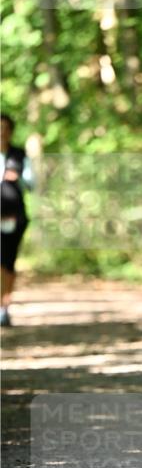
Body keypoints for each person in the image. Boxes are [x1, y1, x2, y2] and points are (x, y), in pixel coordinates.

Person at [1, 112, 34, 328]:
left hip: (12, 216)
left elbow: (32, 183)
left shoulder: (19, 155)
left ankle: (4, 306)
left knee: (6, 260)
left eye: (5, 128)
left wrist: (19, 176)